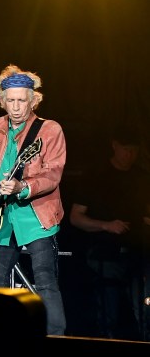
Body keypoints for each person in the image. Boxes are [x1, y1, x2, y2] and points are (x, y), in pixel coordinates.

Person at [0, 64, 67, 335]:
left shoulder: (49, 130)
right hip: (0, 217)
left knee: (45, 279)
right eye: (10, 100)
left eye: (21, 100)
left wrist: (23, 186)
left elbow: (53, 174)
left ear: (33, 100)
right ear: (2, 101)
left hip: (36, 215)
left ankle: (56, 339)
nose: (15, 107)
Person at [69, 124, 150, 340]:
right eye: (126, 149)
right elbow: (76, 217)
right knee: (108, 313)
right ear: (115, 146)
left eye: (134, 150)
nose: (130, 155)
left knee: (145, 311)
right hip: (105, 254)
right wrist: (107, 225)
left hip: (138, 253)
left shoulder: (142, 177)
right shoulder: (96, 176)